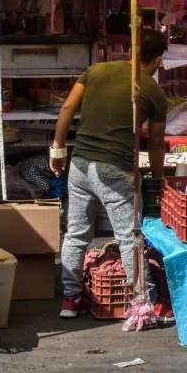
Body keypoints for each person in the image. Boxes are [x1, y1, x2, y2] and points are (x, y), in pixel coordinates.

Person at [51, 29, 169, 322]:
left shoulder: (96, 70)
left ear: (130, 51)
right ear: (158, 60)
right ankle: (145, 301)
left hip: (80, 165)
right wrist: (157, 180)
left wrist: (58, 149)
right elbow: (156, 143)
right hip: (114, 169)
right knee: (130, 237)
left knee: (76, 233)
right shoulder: (154, 91)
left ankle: (70, 299)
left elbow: (68, 107)